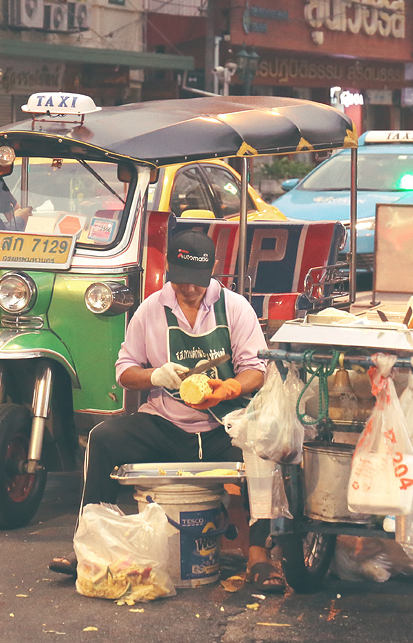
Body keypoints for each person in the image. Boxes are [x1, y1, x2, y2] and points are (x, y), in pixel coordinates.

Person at [48, 229, 286, 593]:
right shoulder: (150, 309)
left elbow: (256, 368)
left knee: (266, 443)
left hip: (226, 426)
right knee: (103, 439)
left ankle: (258, 555)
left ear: (213, 270)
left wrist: (232, 387)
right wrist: (153, 375)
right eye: (181, 281)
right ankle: (90, 546)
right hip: (166, 424)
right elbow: (125, 371)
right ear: (169, 270)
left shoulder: (235, 307)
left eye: (197, 282)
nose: (189, 290)